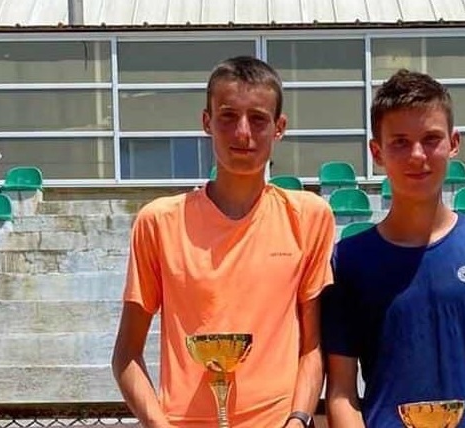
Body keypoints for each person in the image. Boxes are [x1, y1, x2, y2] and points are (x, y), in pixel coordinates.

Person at [112, 56, 335, 428]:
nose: (243, 133)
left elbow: (312, 347)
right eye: (228, 116)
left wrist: (298, 420)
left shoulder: (309, 217)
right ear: (207, 122)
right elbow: (126, 354)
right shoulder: (159, 222)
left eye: (258, 119)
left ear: (279, 128)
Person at [321, 69, 465, 428]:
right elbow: (341, 391)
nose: (417, 155)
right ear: (376, 152)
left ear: (454, 143)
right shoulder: (348, 259)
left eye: (431, 139)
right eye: (400, 142)